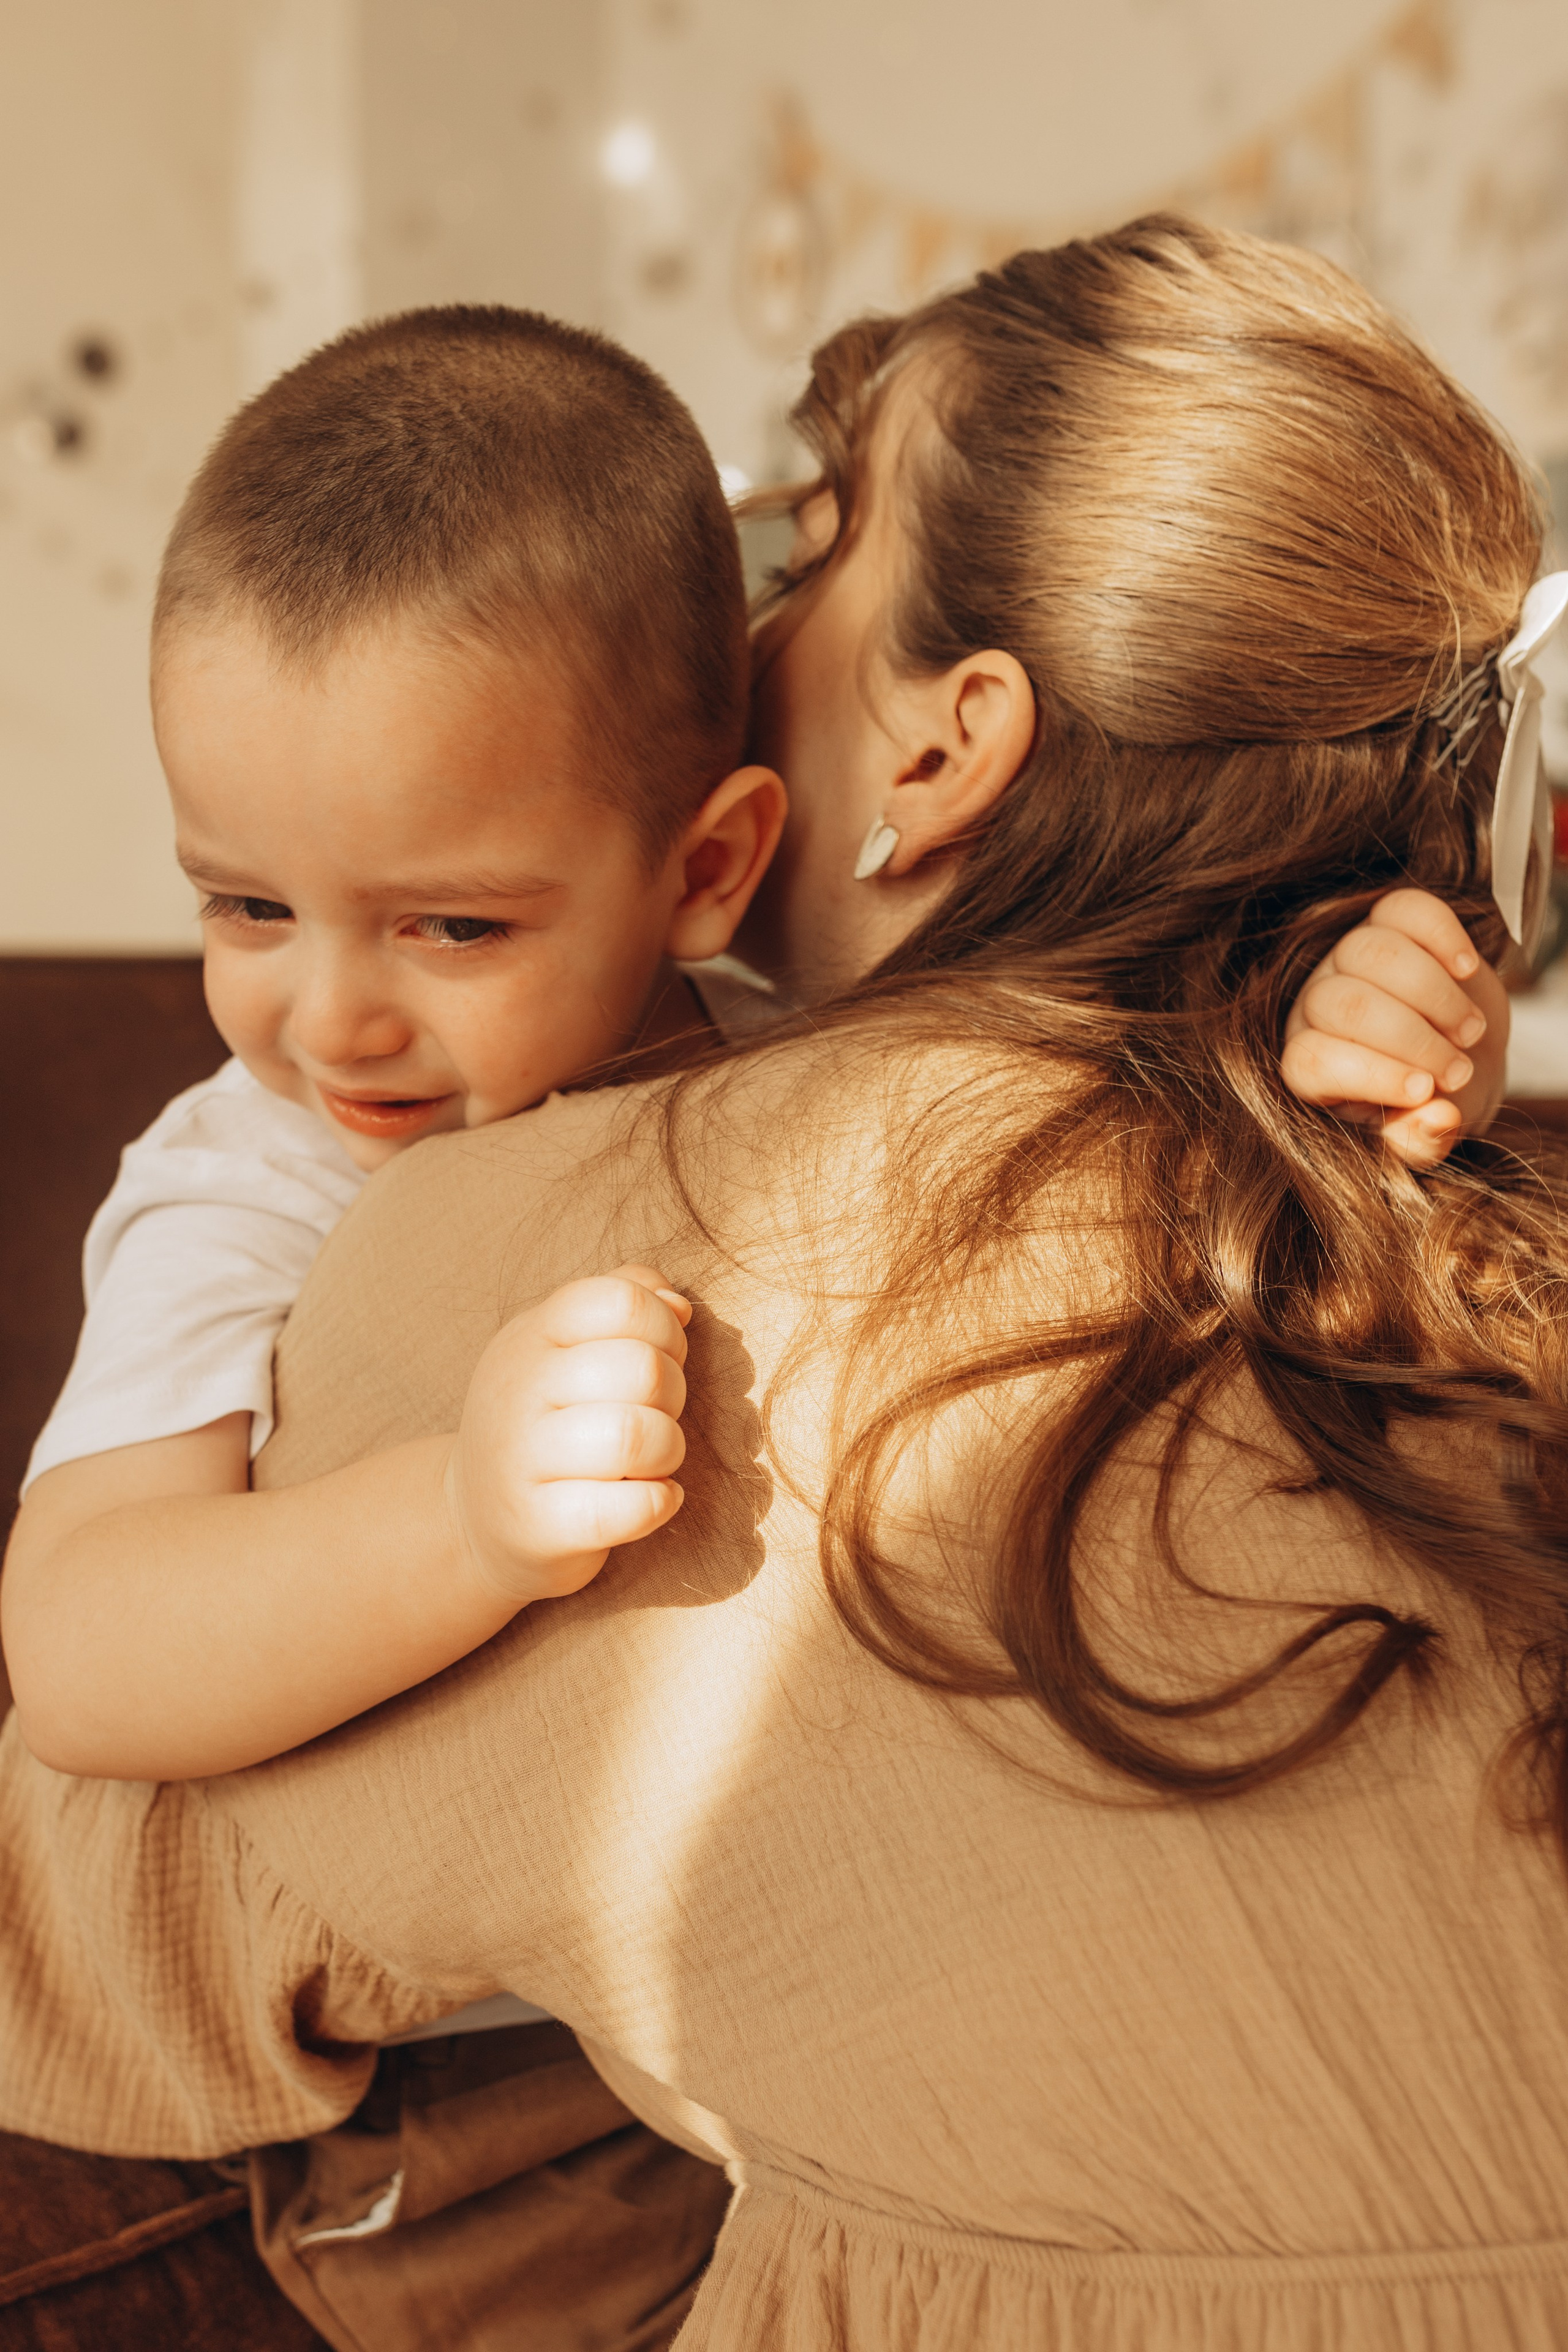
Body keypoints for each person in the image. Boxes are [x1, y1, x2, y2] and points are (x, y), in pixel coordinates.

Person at [6, 212, 1567, 2350]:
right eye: (246, 906)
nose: (745, 629)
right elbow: (95, 1647)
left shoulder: (615, 1227)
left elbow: (114, 1927)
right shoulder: (1415, 1200)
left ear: (930, 759)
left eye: (813, 546)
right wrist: (1377, 1001)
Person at [1, 304, 1490, 1792]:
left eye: (452, 927)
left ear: (707, 869)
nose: (327, 1020)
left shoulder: (807, 1049)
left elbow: (1109, 1063)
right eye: (247, 904)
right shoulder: (252, 1177)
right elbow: (78, 1643)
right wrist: (452, 1526)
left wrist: (1373, 1040)